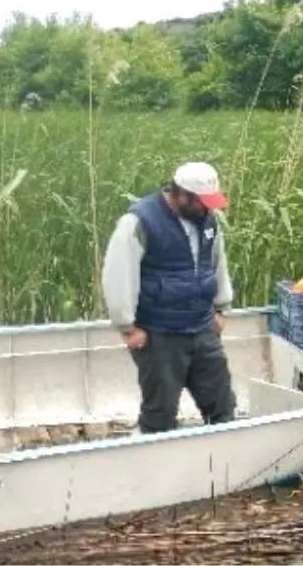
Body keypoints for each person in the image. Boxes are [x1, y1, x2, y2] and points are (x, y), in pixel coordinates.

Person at [101, 161, 237, 433]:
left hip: (202, 326)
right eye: (201, 202)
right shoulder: (139, 222)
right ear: (181, 195)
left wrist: (221, 308)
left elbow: (217, 263)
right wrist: (127, 327)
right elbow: (119, 274)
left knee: (223, 405)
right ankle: (152, 466)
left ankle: (224, 464)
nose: (208, 208)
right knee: (160, 412)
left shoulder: (208, 220)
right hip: (159, 333)